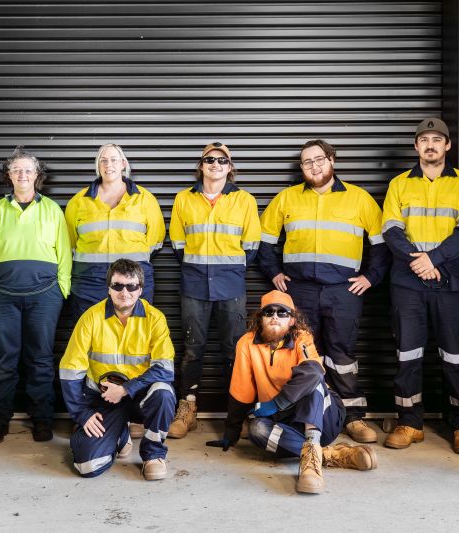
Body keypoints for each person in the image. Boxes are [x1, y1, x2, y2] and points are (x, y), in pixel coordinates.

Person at [258, 139, 390, 444]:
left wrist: (371, 277)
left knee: (342, 354)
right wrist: (274, 272)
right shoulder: (287, 199)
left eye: (319, 160)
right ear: (301, 168)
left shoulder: (359, 199)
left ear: (332, 160)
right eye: (307, 162)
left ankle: (353, 417)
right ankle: (305, 415)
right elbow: (263, 243)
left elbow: (382, 245)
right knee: (303, 354)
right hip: (300, 291)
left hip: (343, 291)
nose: (314, 166)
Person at [207, 290, 377, 495]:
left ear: (292, 320)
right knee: (257, 430)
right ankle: (328, 455)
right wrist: (231, 432)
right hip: (287, 424)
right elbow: (241, 390)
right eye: (269, 312)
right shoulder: (246, 343)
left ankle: (312, 458)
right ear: (260, 319)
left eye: (282, 313)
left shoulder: (301, 338)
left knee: (312, 380)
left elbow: (314, 371)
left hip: (324, 416)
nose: (275, 317)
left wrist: (276, 403)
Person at [381, 118, 459, 454]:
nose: (431, 145)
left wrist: (433, 260)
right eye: (425, 140)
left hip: (448, 279)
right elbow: (392, 232)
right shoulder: (399, 185)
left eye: (437, 139)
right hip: (408, 281)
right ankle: (410, 422)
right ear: (416, 147)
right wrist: (419, 261)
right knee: (408, 354)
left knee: (454, 355)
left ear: (447, 146)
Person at [167, 142, 261, 438]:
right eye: (210, 159)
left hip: (230, 284)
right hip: (194, 284)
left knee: (235, 350)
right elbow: (178, 244)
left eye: (222, 160)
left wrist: (225, 268)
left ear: (230, 167)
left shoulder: (245, 200)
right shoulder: (184, 199)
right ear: (201, 165)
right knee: (193, 349)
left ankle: (239, 412)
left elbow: (252, 245)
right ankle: (188, 408)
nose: (216, 164)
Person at [0, 147, 72, 444]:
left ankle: (42, 420)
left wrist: (62, 289)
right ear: (8, 176)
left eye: (28, 170)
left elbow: (64, 253)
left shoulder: (52, 209)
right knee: (1, 360)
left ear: (37, 176)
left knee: (41, 359)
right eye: (16, 170)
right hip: (0, 296)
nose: (22, 174)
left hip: (45, 295)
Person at [58, 259, 175, 480]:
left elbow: (165, 369)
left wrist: (126, 389)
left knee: (163, 393)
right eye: (118, 285)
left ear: (140, 289)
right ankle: (119, 435)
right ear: (108, 288)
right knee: (87, 466)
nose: (125, 292)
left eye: (131, 286)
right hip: (104, 401)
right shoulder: (90, 318)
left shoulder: (155, 319)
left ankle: (153, 455)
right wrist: (81, 414)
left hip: (140, 398)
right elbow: (69, 370)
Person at [64, 143, 165, 325]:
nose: (108, 164)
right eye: (103, 160)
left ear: (123, 164)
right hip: (89, 280)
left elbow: (155, 241)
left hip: (133, 278)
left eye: (113, 160)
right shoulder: (78, 202)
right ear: (98, 166)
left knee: (135, 332)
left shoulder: (145, 199)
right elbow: (70, 242)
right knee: (88, 332)